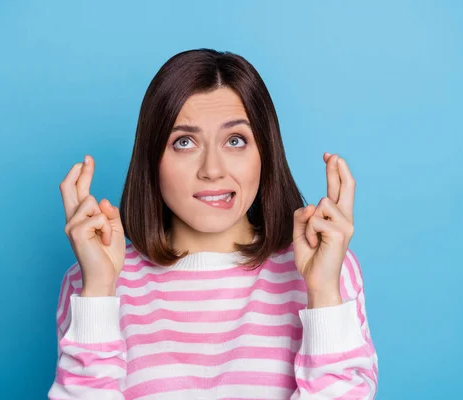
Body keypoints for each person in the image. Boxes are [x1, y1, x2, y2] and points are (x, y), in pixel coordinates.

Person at [48, 48, 378, 399]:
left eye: (235, 141)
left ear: (265, 153)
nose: (212, 169)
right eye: (184, 142)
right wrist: (98, 290)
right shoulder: (95, 279)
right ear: (152, 158)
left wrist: (323, 291)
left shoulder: (324, 271)